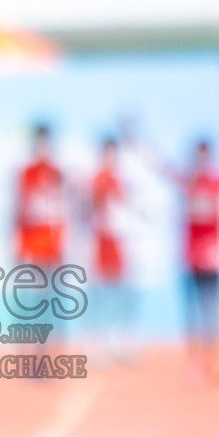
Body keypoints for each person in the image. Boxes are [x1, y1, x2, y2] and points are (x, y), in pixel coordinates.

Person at [180, 140, 219, 379]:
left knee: (214, 309)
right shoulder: (190, 182)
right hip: (192, 258)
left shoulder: (215, 183)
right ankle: (196, 361)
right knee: (194, 311)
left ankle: (215, 361)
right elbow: (161, 168)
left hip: (213, 259)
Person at [89, 137, 132, 361]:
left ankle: (119, 343)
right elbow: (91, 206)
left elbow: (126, 206)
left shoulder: (118, 179)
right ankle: (97, 346)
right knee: (99, 295)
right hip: (101, 240)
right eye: (106, 153)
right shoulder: (98, 179)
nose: (110, 158)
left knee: (120, 293)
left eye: (113, 153)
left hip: (116, 240)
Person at [16, 124, 65, 269]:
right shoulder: (28, 172)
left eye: (46, 143)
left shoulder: (56, 171)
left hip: (51, 229)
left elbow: (61, 202)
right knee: (35, 273)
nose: (43, 147)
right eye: (39, 142)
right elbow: (23, 203)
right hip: (33, 230)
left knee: (51, 272)